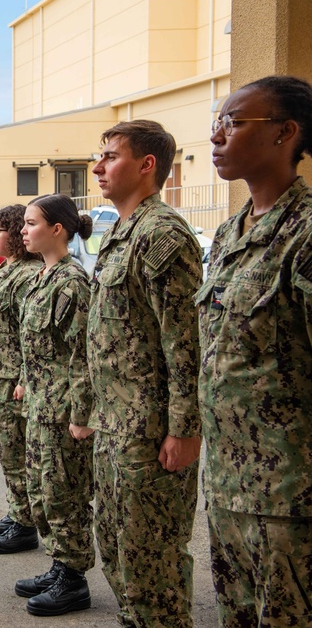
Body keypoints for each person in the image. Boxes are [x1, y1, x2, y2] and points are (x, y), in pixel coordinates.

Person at [198, 74, 312, 626]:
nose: (217, 137)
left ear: (285, 133)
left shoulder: (306, 233)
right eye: (216, 123)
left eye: (233, 123)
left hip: (290, 495)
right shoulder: (228, 236)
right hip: (227, 485)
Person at [85, 119, 203, 627]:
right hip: (117, 427)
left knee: (153, 568)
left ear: (146, 165)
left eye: (110, 156)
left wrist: (184, 428)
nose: (97, 166)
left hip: (151, 434)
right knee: (120, 555)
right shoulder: (122, 233)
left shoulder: (162, 236)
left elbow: (185, 343)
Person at [13, 194, 95, 617]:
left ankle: (74, 578)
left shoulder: (72, 282)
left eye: (31, 223)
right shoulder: (42, 277)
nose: (23, 230)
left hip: (63, 412)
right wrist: (26, 382)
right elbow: (38, 346)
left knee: (66, 495)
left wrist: (82, 416)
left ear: (57, 229)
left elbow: (82, 354)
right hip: (41, 407)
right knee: (43, 492)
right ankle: (59, 563)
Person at [0, 204, 42, 554]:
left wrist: (22, 379)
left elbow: (30, 336)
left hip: (11, 380)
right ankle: (18, 512)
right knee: (6, 450)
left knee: (18, 452)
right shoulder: (5, 272)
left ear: (14, 234)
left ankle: (25, 524)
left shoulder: (28, 276)